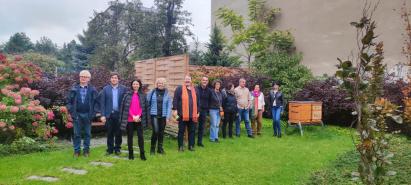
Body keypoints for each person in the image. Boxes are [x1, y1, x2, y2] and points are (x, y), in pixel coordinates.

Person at [66, 70, 99, 157]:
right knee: (77, 134)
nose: (83, 78)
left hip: (88, 115)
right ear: (79, 77)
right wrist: (72, 112)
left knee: (87, 134)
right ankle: (77, 151)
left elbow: (97, 103)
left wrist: (93, 114)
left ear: (89, 79)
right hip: (77, 115)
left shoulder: (93, 90)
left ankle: (86, 151)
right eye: (82, 76)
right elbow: (68, 102)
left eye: (85, 77)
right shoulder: (74, 89)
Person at [99, 72, 127, 155]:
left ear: (118, 79)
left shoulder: (123, 89)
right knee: (110, 132)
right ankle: (110, 149)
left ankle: (117, 148)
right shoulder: (105, 89)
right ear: (110, 79)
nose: (114, 79)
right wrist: (102, 115)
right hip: (109, 114)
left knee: (118, 132)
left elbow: (126, 102)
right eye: (112, 77)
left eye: (116, 78)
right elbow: (102, 103)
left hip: (119, 114)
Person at [119, 79, 147, 160]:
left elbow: (143, 107)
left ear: (139, 85)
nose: (135, 85)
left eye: (137, 84)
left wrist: (138, 116)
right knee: (130, 137)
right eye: (134, 84)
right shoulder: (127, 95)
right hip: (129, 119)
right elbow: (126, 107)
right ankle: (130, 154)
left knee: (140, 137)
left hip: (139, 119)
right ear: (132, 85)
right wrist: (133, 116)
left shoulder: (143, 95)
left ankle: (142, 154)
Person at [173, 75, 200, 152]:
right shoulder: (179, 89)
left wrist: (198, 111)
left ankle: (191, 146)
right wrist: (175, 110)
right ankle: (180, 146)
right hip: (182, 115)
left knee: (192, 131)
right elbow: (175, 99)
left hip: (193, 115)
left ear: (191, 80)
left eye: (189, 79)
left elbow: (198, 102)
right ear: (184, 80)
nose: (187, 80)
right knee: (181, 131)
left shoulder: (195, 89)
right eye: (186, 79)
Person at [146, 78, 172, 155]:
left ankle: (160, 149)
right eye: (159, 83)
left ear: (164, 84)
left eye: (162, 83)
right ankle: (152, 149)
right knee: (156, 131)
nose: (160, 84)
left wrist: (167, 117)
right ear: (157, 84)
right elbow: (147, 102)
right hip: (154, 115)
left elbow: (169, 106)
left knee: (161, 132)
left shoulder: (167, 93)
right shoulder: (152, 92)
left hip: (163, 116)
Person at [195, 76, 212, 147]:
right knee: (193, 127)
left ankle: (199, 142)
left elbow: (210, 101)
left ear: (207, 82)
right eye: (203, 80)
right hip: (196, 111)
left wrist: (207, 109)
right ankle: (191, 142)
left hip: (204, 111)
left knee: (201, 127)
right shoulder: (196, 89)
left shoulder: (209, 90)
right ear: (201, 81)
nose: (205, 81)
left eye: (206, 80)